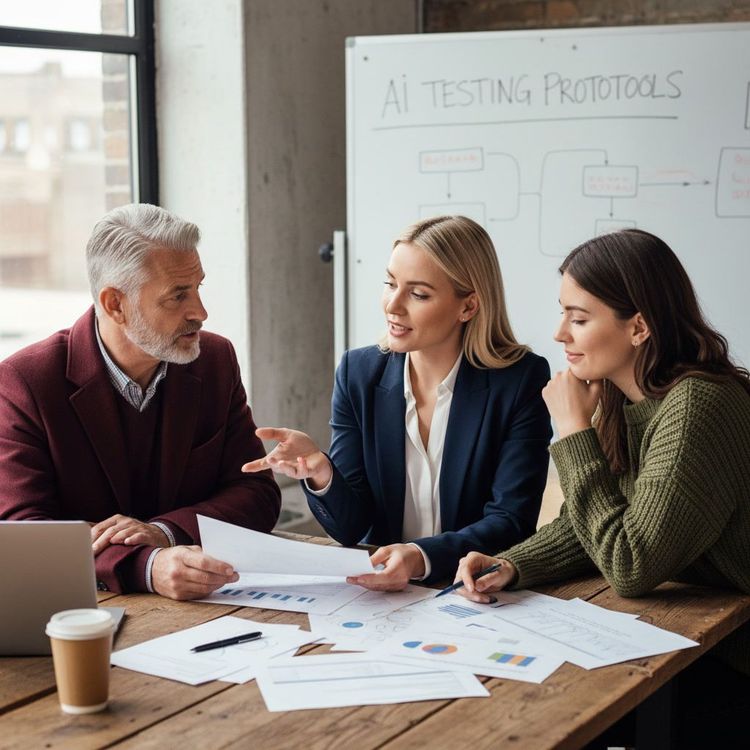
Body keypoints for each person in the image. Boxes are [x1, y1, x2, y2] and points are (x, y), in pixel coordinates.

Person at [453, 228, 750, 747]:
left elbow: (630, 563)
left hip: (733, 657)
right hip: (690, 638)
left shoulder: (699, 405)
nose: (560, 333)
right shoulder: (622, 396)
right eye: (563, 312)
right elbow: (588, 525)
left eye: (579, 318)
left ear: (639, 327)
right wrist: (515, 564)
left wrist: (572, 430)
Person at [243, 215, 551, 590]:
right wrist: (322, 472)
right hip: (386, 596)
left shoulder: (519, 381)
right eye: (390, 284)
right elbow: (351, 527)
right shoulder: (358, 373)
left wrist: (420, 557)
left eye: (418, 294)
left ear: (468, 307)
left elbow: (511, 521)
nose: (393, 305)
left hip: (475, 592)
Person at [0, 204, 280, 600]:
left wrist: (163, 533)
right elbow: (24, 532)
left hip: (212, 606)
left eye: (198, 287)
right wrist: (146, 566)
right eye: (178, 296)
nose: (200, 311)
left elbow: (258, 494)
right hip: (86, 613)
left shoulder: (215, 360)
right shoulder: (26, 381)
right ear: (115, 304)